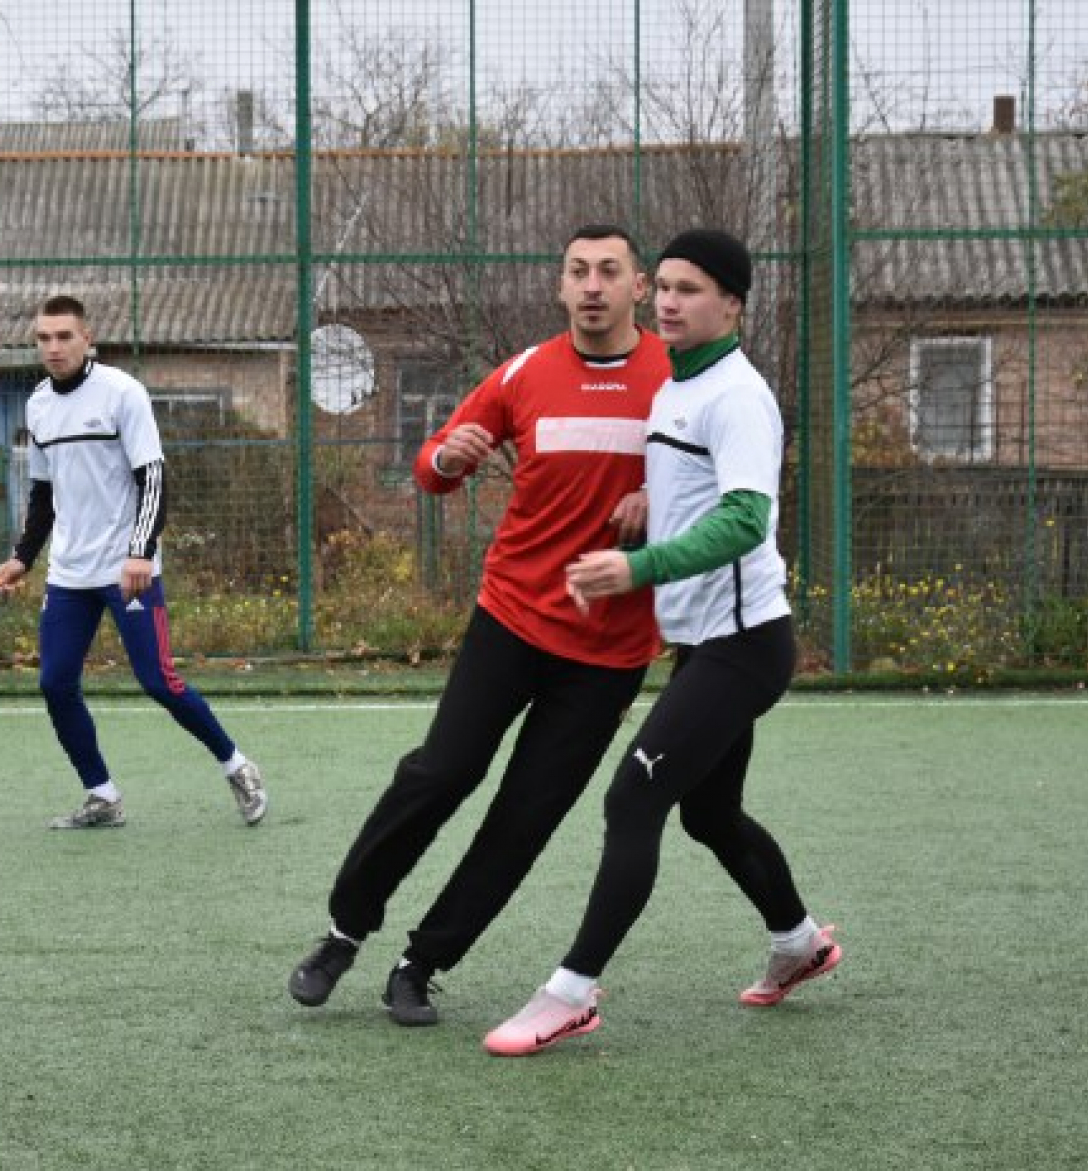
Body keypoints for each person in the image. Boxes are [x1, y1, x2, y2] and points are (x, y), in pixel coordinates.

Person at [286, 224, 671, 1027]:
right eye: (577, 271)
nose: (591, 285)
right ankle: (343, 932)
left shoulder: (677, 380)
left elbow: (723, 487)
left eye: (608, 271)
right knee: (439, 773)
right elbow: (431, 465)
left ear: (639, 287)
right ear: (559, 287)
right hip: (512, 619)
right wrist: (446, 458)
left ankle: (420, 965)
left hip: (608, 653)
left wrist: (660, 500)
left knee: (523, 818)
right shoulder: (525, 371)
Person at [483, 227, 842, 1058]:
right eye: (667, 287)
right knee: (708, 813)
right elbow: (694, 483)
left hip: (744, 645)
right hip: (705, 643)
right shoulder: (681, 382)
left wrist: (638, 565)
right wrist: (652, 502)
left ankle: (569, 993)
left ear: (732, 305)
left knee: (632, 800)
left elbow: (745, 519)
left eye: (691, 290)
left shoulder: (736, 396)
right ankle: (797, 941)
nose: (670, 303)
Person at [0, 294, 267, 830]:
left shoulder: (122, 393)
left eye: (64, 336)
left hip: (127, 570)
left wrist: (140, 552)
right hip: (69, 573)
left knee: (159, 681)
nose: (53, 347)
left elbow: (153, 478)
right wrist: (23, 557)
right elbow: (43, 494)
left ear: (87, 338)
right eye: (44, 338)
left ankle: (237, 766)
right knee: (55, 684)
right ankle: (102, 795)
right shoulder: (38, 405)